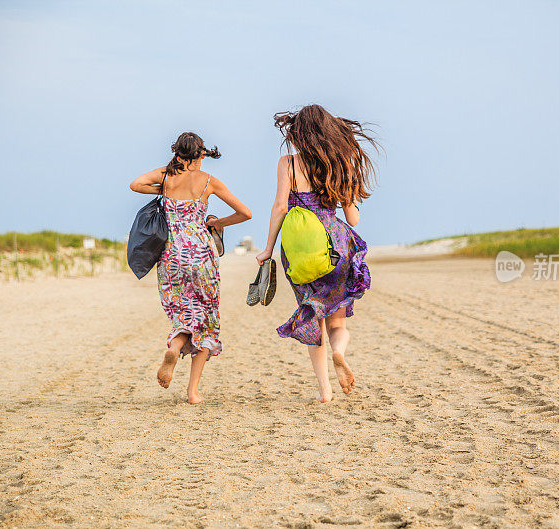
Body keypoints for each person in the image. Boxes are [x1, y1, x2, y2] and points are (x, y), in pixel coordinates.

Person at [256, 105, 376, 403]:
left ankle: (325, 391)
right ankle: (339, 353)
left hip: (300, 250)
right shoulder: (340, 162)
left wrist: (268, 248)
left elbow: (280, 207)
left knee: (314, 318)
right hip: (336, 247)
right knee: (338, 323)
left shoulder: (288, 163)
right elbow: (353, 220)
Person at [130, 132, 251, 404]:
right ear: (202, 154)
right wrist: (218, 223)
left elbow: (135, 184)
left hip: (171, 255)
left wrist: (162, 189)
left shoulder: (167, 175)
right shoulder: (208, 181)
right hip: (201, 255)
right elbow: (246, 213)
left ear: (177, 153)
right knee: (206, 320)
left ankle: (175, 346)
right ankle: (193, 392)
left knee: (181, 311)